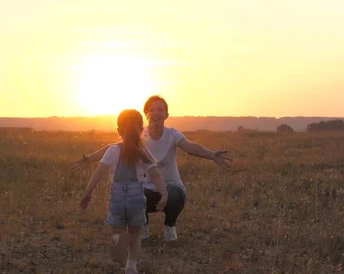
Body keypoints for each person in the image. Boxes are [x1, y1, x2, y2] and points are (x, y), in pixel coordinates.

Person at [73, 95, 232, 241]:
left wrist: (212, 155)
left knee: (176, 196)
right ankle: (143, 225)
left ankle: (170, 226)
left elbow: (190, 147)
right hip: (144, 188)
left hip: (170, 186)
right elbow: (114, 147)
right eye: (151, 110)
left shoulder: (172, 134)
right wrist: (89, 158)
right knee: (135, 193)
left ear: (166, 115)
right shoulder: (141, 135)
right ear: (146, 114)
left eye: (160, 110)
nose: (156, 113)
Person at [80, 109, 168, 274]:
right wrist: (164, 194)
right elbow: (156, 175)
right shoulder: (144, 152)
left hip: (117, 195)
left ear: (119, 130)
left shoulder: (113, 150)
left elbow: (99, 172)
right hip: (136, 196)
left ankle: (118, 238)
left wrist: (87, 192)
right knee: (135, 234)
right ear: (142, 129)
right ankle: (131, 266)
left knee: (117, 230)